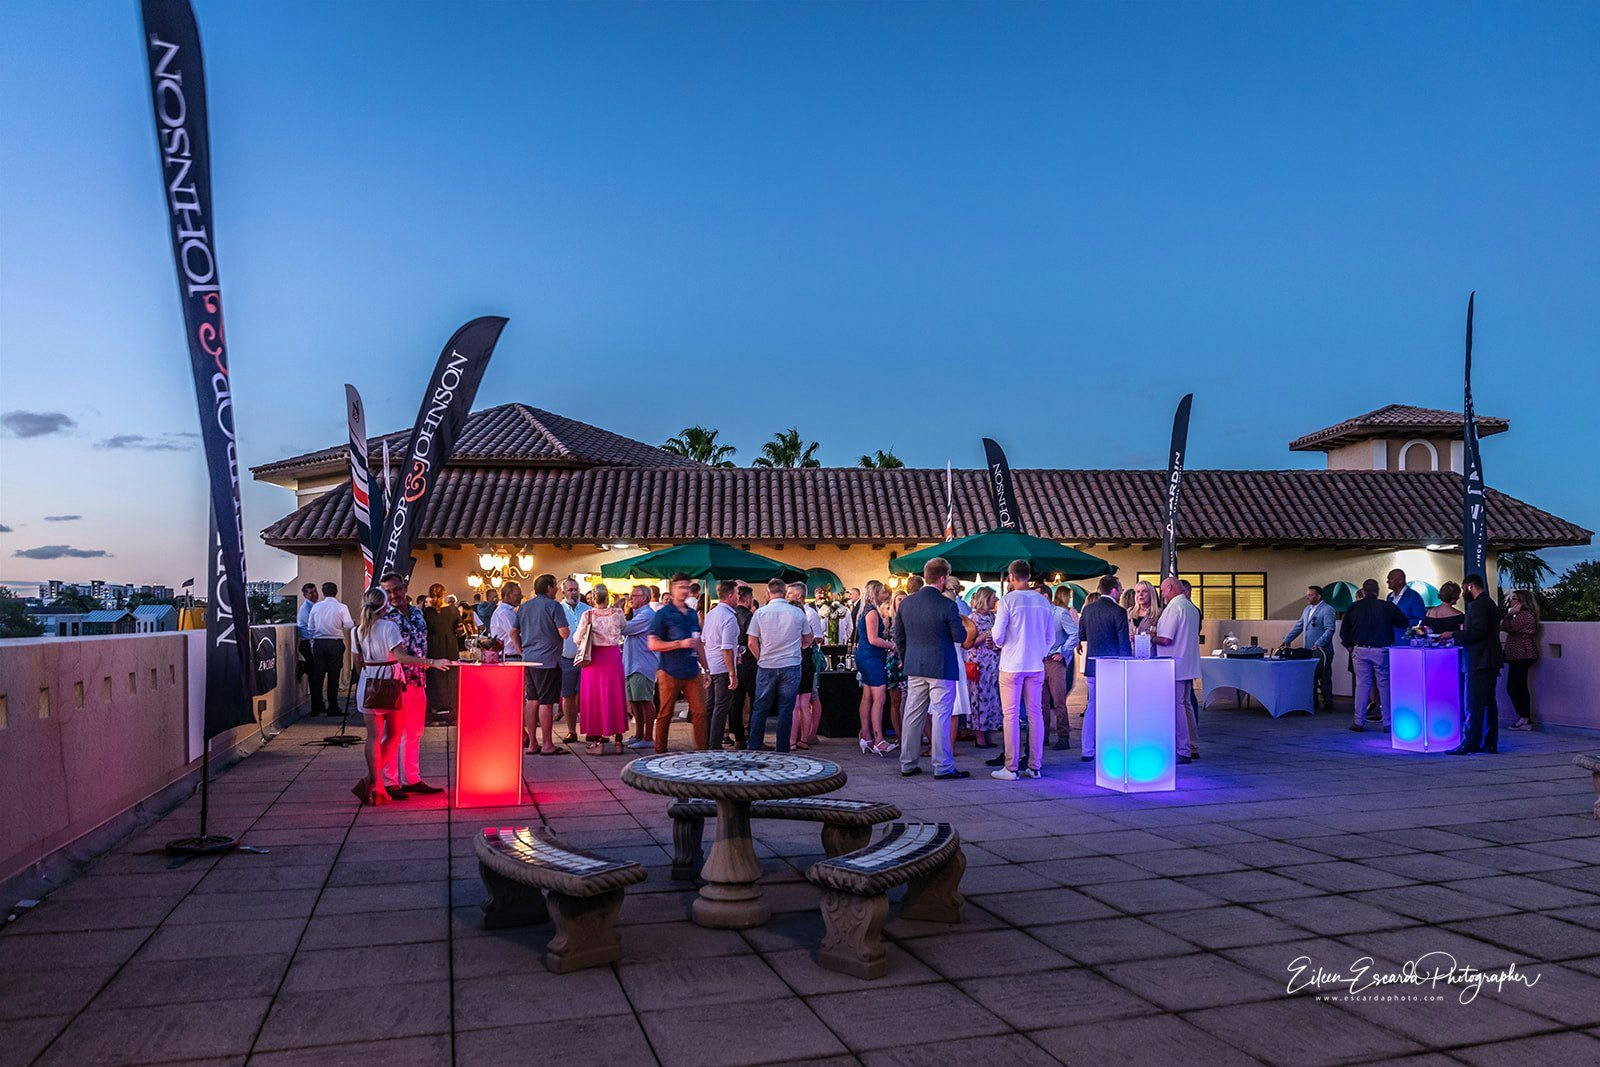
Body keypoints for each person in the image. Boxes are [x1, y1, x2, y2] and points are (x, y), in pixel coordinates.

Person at [350, 588, 453, 805]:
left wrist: (370, 676)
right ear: (384, 606)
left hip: (367, 684)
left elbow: (357, 664)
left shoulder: (357, 630)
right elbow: (401, 657)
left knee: (373, 737)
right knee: (395, 734)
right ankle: (373, 783)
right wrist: (431, 662)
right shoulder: (389, 627)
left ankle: (377, 785)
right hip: (390, 683)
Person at [892, 557, 974, 780]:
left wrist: (906, 658)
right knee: (941, 715)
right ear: (943, 578)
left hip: (914, 665)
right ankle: (942, 765)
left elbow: (899, 636)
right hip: (941, 666)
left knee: (912, 715)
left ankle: (908, 763)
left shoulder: (907, 603)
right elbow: (959, 636)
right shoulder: (947, 605)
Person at [376, 572, 443, 795]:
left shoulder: (417, 612)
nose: (393, 595)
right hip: (396, 680)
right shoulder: (384, 617)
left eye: (396, 589)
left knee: (414, 732)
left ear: (404, 587)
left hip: (418, 678)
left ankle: (412, 778)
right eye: (387, 591)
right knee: (393, 733)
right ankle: (390, 781)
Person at [990, 560, 1057, 780]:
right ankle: (1035, 766)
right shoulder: (1043, 601)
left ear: (1011, 576)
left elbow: (997, 635)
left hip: (1012, 664)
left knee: (1010, 715)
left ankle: (1011, 767)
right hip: (1035, 664)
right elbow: (1051, 637)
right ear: (1029, 576)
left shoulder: (1008, 600)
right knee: (1035, 714)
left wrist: (1001, 643)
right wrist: (1040, 652)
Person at [746, 578, 809, 752]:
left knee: (760, 707)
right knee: (786, 709)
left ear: (768, 592)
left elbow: (751, 642)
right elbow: (808, 638)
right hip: (791, 663)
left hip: (767, 664)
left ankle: (754, 745)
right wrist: (798, 647)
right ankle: (782, 748)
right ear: (784, 592)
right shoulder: (797, 613)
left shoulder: (760, 613)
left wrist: (761, 658)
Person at [1339, 579, 1408, 733]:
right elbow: (1402, 622)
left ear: (1363, 591)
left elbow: (1344, 630)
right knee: (1384, 685)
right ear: (1378, 591)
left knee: (1362, 685)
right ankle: (1388, 723)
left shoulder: (1353, 607)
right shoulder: (1387, 606)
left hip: (1360, 649)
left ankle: (1358, 721)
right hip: (1381, 650)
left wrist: (1349, 645)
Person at [649, 574, 709, 751]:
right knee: (665, 713)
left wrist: (706, 668)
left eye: (686, 587)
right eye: (680, 587)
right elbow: (653, 644)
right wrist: (679, 644)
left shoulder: (692, 614)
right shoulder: (663, 614)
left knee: (700, 712)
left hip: (692, 670)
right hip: (669, 670)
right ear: (673, 589)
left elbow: (698, 643)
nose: (684, 591)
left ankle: (702, 751)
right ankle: (660, 751)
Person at [1077, 576, 1130, 763]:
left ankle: (1087, 750)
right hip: (1113, 666)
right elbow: (1124, 644)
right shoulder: (1119, 611)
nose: (1122, 592)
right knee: (1114, 708)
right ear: (1114, 590)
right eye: (1120, 588)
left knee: (1092, 707)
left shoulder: (1088, 610)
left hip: (1093, 666)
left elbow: (1082, 635)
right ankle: (1110, 747)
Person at [1450, 574, 1504, 754]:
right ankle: (1489, 742)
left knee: (1473, 703)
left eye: (1463, 588)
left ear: (1470, 586)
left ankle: (1470, 743)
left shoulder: (1478, 605)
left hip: (1479, 659)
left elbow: (1478, 631)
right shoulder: (1489, 603)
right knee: (1488, 703)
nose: (1463, 592)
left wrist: (1454, 635)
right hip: (1490, 659)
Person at [517, 574, 571, 755]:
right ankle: (547, 744)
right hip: (548, 660)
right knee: (546, 703)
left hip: (529, 659)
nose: (557, 589)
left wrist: (521, 650)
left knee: (532, 700)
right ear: (549, 587)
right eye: (555, 586)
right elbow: (564, 633)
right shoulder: (554, 606)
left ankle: (533, 743)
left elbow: (513, 632)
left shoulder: (524, 606)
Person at [572, 583, 628, 754]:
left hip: (594, 659)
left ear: (593, 599)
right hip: (613, 657)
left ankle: (598, 742)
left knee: (594, 698)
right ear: (607, 597)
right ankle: (618, 741)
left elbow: (577, 638)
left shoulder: (588, 615)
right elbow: (624, 627)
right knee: (615, 696)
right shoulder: (617, 613)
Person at [1150, 576, 1201, 762]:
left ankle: (1182, 750)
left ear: (1170, 587)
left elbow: (1166, 639)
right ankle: (1192, 746)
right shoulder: (1191, 607)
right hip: (1187, 663)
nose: (1162, 594)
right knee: (1186, 705)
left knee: (1177, 706)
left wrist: (1150, 636)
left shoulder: (1174, 608)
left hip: (1174, 664)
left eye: (1163, 590)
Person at [854, 580, 894, 756]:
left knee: (867, 696)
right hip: (871, 657)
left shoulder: (864, 610)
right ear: (876, 593)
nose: (885, 595)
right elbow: (873, 639)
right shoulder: (872, 612)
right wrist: (892, 645)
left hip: (865, 655)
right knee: (880, 697)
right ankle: (879, 740)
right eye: (882, 592)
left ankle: (867, 736)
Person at [704, 580, 745, 751]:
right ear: (729, 595)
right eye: (736, 594)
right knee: (721, 707)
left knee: (711, 706)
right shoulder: (729, 617)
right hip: (722, 667)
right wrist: (732, 673)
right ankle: (714, 744)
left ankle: (706, 741)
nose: (738, 597)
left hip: (710, 664)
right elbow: (727, 648)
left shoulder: (711, 614)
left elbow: (705, 640)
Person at [1280, 585, 1336, 710]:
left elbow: (1330, 630)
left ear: (1318, 596)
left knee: (1324, 676)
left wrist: (1319, 643)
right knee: (1310, 677)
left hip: (1322, 651)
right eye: (1307, 595)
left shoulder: (1327, 609)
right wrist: (1287, 640)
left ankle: (1328, 702)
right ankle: (1313, 702)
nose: (1308, 597)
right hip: (1308, 651)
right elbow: (1299, 626)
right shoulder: (1307, 610)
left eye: (1310, 595)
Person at [305, 580, 353, 716]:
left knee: (318, 677)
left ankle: (315, 707)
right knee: (334, 677)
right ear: (336, 592)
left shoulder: (316, 607)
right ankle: (333, 707)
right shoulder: (342, 607)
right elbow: (348, 625)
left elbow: (310, 628)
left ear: (323, 592)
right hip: (335, 642)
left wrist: (313, 642)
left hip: (319, 643)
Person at [621, 585, 659, 748]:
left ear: (644, 598)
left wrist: (617, 611)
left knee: (644, 700)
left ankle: (648, 737)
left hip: (642, 664)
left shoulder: (647, 615)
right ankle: (639, 735)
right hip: (633, 664)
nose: (630, 598)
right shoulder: (639, 614)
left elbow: (625, 628)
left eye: (634, 595)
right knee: (635, 701)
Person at [789, 582, 824, 749]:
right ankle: (803, 739)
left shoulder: (794, 623)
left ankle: (792, 741)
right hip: (807, 662)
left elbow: (817, 639)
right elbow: (810, 640)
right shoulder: (805, 623)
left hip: (796, 662)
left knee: (796, 705)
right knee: (804, 704)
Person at [1045, 586, 1080, 751]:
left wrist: (1062, 651)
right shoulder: (1037, 615)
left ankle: (1063, 736)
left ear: (1046, 596)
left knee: (1059, 700)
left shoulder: (1060, 613)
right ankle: (1042, 736)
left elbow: (1075, 634)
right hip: (1038, 661)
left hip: (1054, 661)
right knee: (1041, 703)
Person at [966, 588, 1002, 750]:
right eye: (993, 597)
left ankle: (989, 731)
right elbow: (969, 643)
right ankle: (979, 735)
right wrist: (986, 635)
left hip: (992, 662)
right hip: (979, 663)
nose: (996, 600)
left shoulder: (993, 617)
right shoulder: (972, 618)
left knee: (992, 697)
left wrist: (996, 645)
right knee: (979, 697)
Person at [421, 583, 461, 725]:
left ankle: (434, 710)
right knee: (450, 677)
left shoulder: (426, 612)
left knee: (433, 678)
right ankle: (451, 710)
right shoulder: (453, 610)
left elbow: (422, 631)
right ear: (444, 594)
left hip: (432, 646)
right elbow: (459, 630)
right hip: (450, 646)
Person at [1500, 588, 1539, 731]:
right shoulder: (1522, 616)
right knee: (1516, 686)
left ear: (1522, 602)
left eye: (1514, 598)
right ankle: (1522, 716)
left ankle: (1524, 717)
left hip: (1522, 654)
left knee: (1516, 686)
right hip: (1516, 655)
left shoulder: (1525, 616)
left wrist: (1509, 614)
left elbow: (1506, 627)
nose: (1511, 601)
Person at [557, 578, 589, 744]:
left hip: (587, 660)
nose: (574, 593)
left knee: (589, 696)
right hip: (566, 658)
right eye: (570, 590)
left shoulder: (588, 609)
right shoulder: (558, 609)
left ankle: (591, 730)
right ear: (563, 593)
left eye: (576, 589)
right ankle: (571, 731)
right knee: (568, 695)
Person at [733, 584, 758, 744]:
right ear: (748, 599)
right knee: (756, 700)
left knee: (736, 701)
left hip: (734, 661)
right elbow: (752, 641)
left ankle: (739, 737)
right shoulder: (750, 617)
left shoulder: (731, 614)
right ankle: (754, 736)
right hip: (749, 661)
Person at [1387, 568, 1426, 644]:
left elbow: (1421, 620)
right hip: (1390, 641)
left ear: (1400, 580)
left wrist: (1403, 622)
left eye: (1390, 579)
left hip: (1406, 642)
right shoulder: (1389, 597)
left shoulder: (1414, 597)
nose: (1387, 581)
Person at [295, 582, 318, 682]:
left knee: (316, 668)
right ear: (305, 595)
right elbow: (312, 627)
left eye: (315, 591)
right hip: (307, 642)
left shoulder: (315, 606)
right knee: (313, 671)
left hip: (312, 641)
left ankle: (305, 666)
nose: (314, 594)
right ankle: (304, 666)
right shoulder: (306, 608)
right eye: (311, 593)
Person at [491, 582, 520, 655]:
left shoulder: (506, 611)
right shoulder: (504, 612)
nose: (521, 597)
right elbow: (515, 634)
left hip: (508, 655)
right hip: (510, 656)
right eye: (517, 595)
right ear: (507, 596)